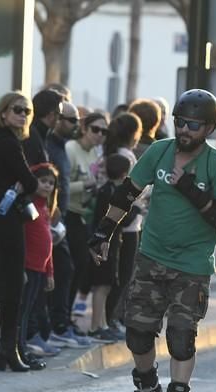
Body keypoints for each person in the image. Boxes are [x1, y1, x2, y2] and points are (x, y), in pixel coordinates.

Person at [89, 89, 216, 392]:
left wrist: (192, 190)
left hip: (192, 264)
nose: (185, 130)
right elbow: (126, 193)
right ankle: (147, 389)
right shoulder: (159, 151)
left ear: (209, 128)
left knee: (181, 336)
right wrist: (103, 234)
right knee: (138, 331)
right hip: (152, 256)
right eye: (180, 123)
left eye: (194, 125)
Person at [0, 91, 39, 372]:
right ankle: (8, 349)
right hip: (5, 218)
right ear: (3, 112)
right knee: (13, 282)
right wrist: (20, 185)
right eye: (17, 109)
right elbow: (31, 181)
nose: (23, 115)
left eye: (27, 111)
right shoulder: (9, 143)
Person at [45, 102, 93, 348]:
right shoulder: (52, 145)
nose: (76, 125)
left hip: (60, 218)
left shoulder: (62, 146)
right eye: (72, 120)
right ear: (56, 118)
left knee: (65, 270)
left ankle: (56, 325)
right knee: (61, 271)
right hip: (50, 219)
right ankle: (54, 326)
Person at [102, 112, 143, 339]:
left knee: (116, 275)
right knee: (122, 275)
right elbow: (136, 186)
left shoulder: (110, 151)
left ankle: (110, 319)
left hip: (120, 222)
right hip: (128, 224)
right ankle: (111, 319)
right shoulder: (126, 155)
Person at [88, 155, 135, 343]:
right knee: (102, 285)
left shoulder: (108, 190)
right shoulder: (111, 193)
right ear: (124, 174)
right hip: (104, 243)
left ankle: (103, 324)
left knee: (106, 285)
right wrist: (137, 208)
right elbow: (118, 220)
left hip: (111, 243)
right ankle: (95, 326)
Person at [65, 112, 108, 319]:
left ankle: (66, 316)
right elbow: (61, 186)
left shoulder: (94, 154)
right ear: (84, 128)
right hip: (67, 213)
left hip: (84, 214)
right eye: (95, 129)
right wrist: (87, 184)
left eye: (104, 131)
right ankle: (60, 318)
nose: (100, 134)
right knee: (71, 266)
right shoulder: (71, 149)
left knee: (82, 265)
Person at [20, 162, 60, 362]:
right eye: (43, 181)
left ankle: (26, 343)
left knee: (32, 307)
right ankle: (22, 344)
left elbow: (48, 243)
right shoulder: (29, 205)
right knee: (24, 309)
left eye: (51, 183)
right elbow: (24, 239)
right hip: (28, 266)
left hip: (40, 268)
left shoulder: (45, 208)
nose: (47, 186)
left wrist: (50, 271)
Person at [23, 89, 63, 166]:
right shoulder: (31, 136)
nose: (59, 120)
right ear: (51, 115)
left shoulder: (38, 134)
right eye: (60, 115)